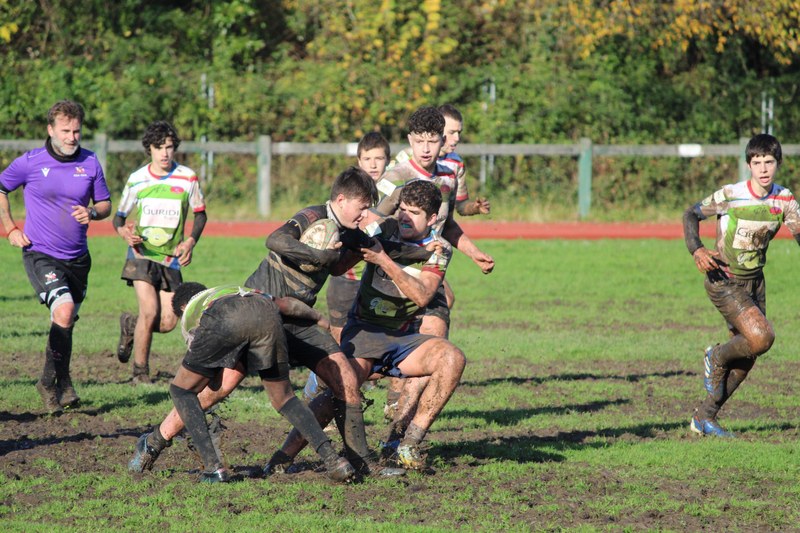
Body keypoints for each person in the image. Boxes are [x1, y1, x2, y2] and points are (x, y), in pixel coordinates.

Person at [269, 180, 464, 470]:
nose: (405, 217)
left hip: (404, 340)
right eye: (402, 210)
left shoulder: (440, 249)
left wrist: (383, 259)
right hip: (364, 333)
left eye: (414, 213)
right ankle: (283, 457)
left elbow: (423, 296)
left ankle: (407, 444)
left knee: (452, 358)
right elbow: (338, 267)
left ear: (432, 218)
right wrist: (340, 247)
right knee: (338, 391)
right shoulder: (383, 229)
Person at [127, 282, 355, 483]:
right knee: (284, 398)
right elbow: (287, 305)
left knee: (181, 390)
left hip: (225, 317)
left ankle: (212, 467)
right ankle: (334, 461)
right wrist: (320, 319)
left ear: (182, 308)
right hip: (267, 314)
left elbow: (207, 378)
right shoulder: (232, 289)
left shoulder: (191, 315)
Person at [684, 133, 800, 437]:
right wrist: (696, 249)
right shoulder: (731, 195)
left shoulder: (784, 199)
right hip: (724, 279)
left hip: (754, 283)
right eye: (757, 162)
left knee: (749, 354)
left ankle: (704, 417)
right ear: (749, 164)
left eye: (769, 162)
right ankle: (716, 356)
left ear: (778, 164)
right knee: (762, 336)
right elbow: (691, 214)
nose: (763, 168)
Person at [0, 99, 112, 413]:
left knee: (66, 320)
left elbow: (105, 205)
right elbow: (1, 188)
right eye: (65, 131)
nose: (72, 137)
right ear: (51, 130)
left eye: (77, 131)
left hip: (78, 259)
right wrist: (10, 228)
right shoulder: (30, 162)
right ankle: (60, 384)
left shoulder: (90, 162)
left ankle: (50, 380)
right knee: (63, 311)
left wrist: (91, 211)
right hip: (40, 254)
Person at [113, 121, 207, 384]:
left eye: (169, 147)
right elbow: (118, 219)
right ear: (149, 149)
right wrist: (124, 233)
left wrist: (190, 242)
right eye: (159, 148)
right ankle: (139, 373)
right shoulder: (137, 179)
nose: (165, 153)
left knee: (167, 321)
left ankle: (131, 326)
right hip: (141, 255)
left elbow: (200, 215)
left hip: (171, 259)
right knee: (150, 311)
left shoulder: (187, 177)